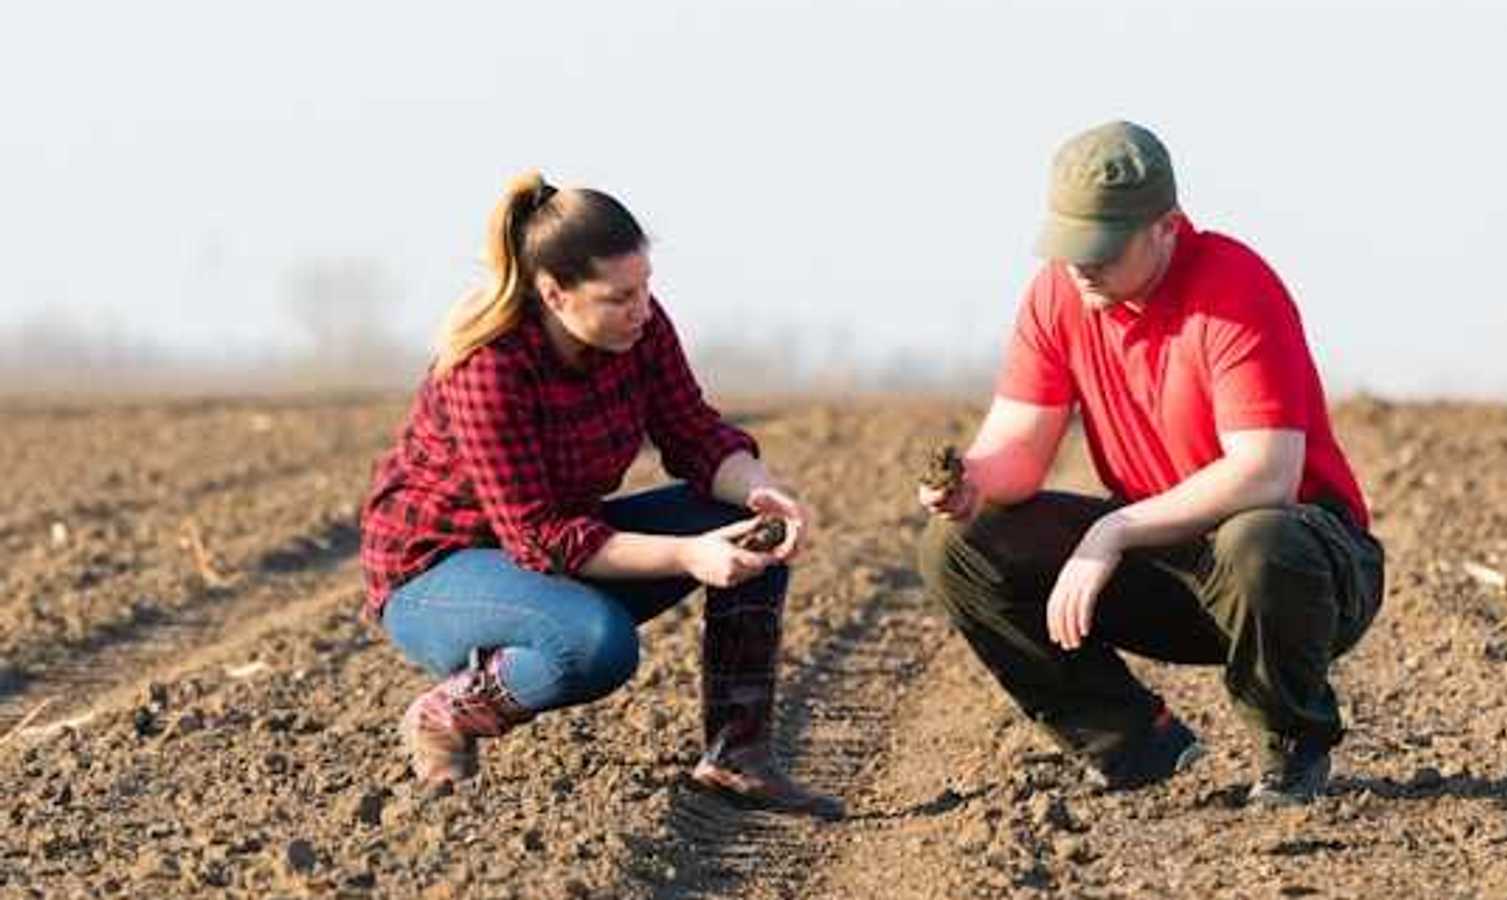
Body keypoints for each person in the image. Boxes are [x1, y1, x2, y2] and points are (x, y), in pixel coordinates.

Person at [916, 122, 1384, 806]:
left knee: (1257, 538)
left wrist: (1113, 531)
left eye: (1102, 249)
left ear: (1166, 227)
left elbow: (1266, 474)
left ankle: (1293, 744)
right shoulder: (1060, 295)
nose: (1082, 266)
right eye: (1070, 246)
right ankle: (1133, 743)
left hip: (1306, 569)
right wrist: (972, 482)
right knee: (960, 547)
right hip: (1172, 559)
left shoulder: (1233, 287)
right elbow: (1018, 440)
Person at [359, 171, 838, 817]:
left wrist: (761, 492)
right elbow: (539, 537)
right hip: (437, 574)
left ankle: (737, 758)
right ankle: (447, 712)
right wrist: (687, 556)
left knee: (749, 524)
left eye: (645, 289)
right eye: (619, 297)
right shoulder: (490, 366)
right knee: (596, 645)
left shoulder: (636, 331)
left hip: (546, 554)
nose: (641, 309)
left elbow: (693, 433)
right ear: (554, 294)